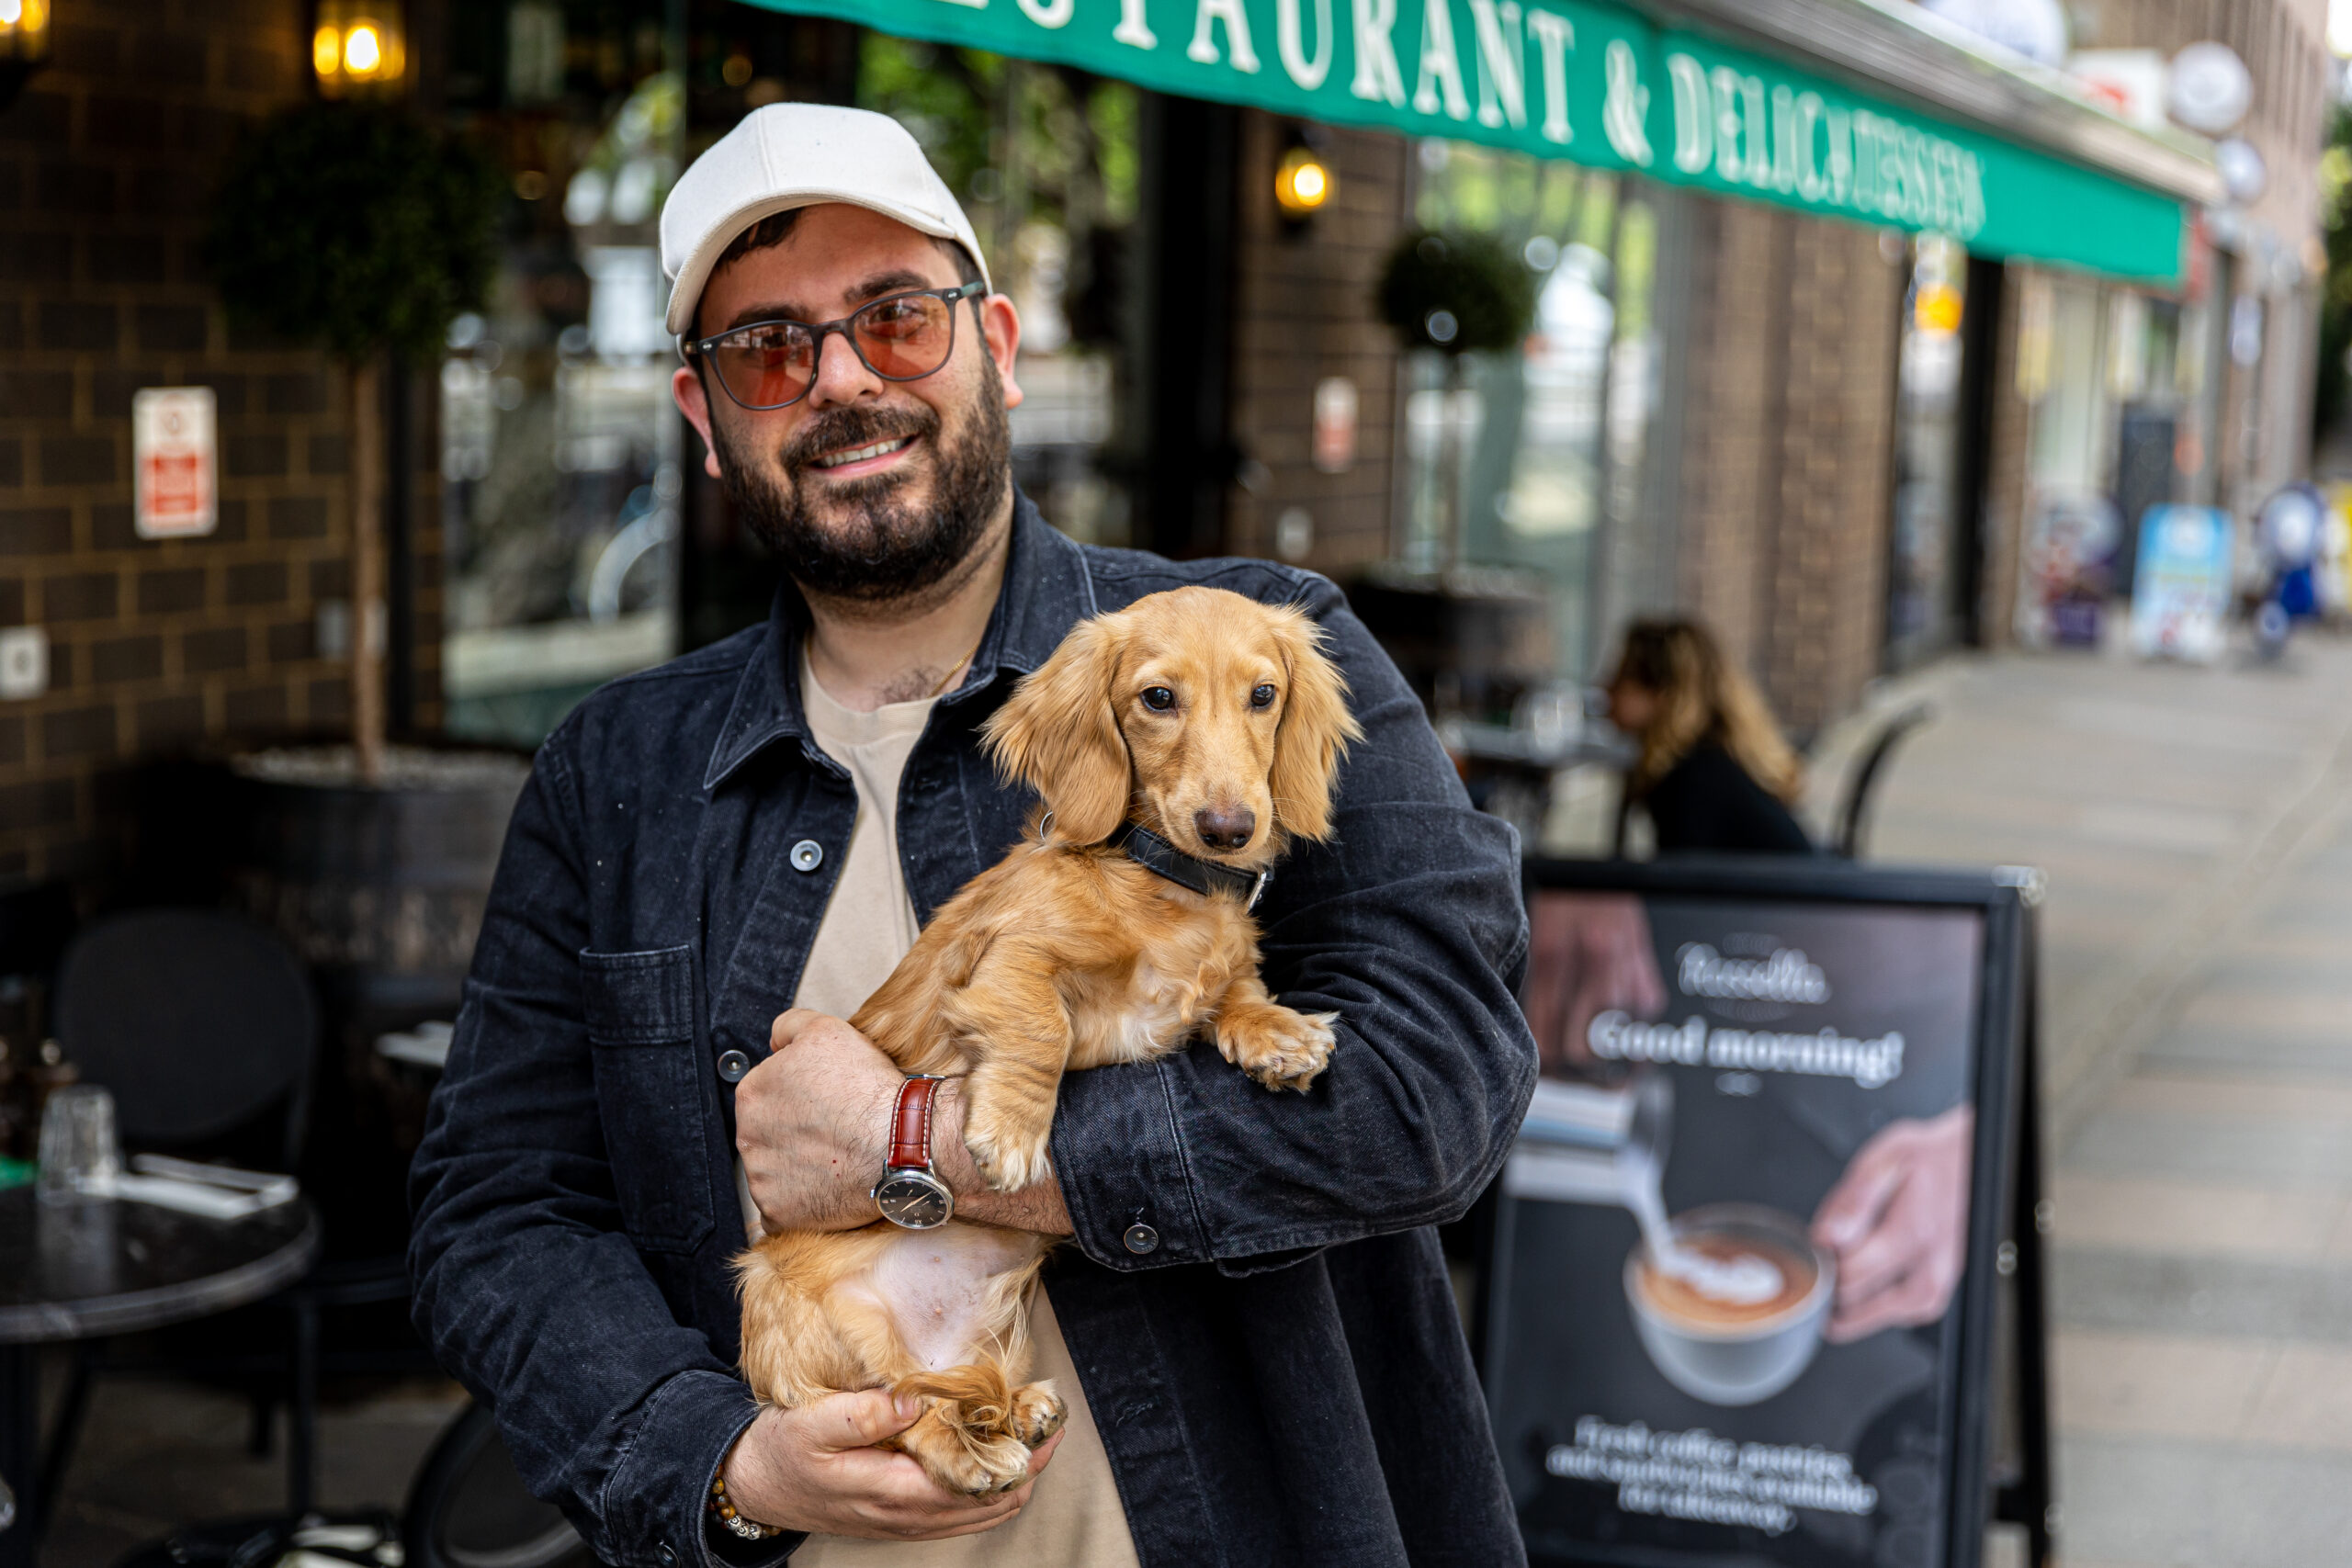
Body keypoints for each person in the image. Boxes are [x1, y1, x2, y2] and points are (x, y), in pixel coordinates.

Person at [406, 104, 1537, 1568]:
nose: (838, 383)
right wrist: (727, 1464)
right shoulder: (615, 771)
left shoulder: (1266, 647)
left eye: (895, 319)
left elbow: (1433, 1083)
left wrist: (913, 1147)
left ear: (995, 342)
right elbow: (496, 1210)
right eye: (766, 347)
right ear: (704, 417)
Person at [1604, 617, 1814, 856]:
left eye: (1622, 677)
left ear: (1663, 693)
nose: (1606, 688)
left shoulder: (1693, 777)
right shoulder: (1714, 757)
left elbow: (1682, 882)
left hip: (1785, 893)